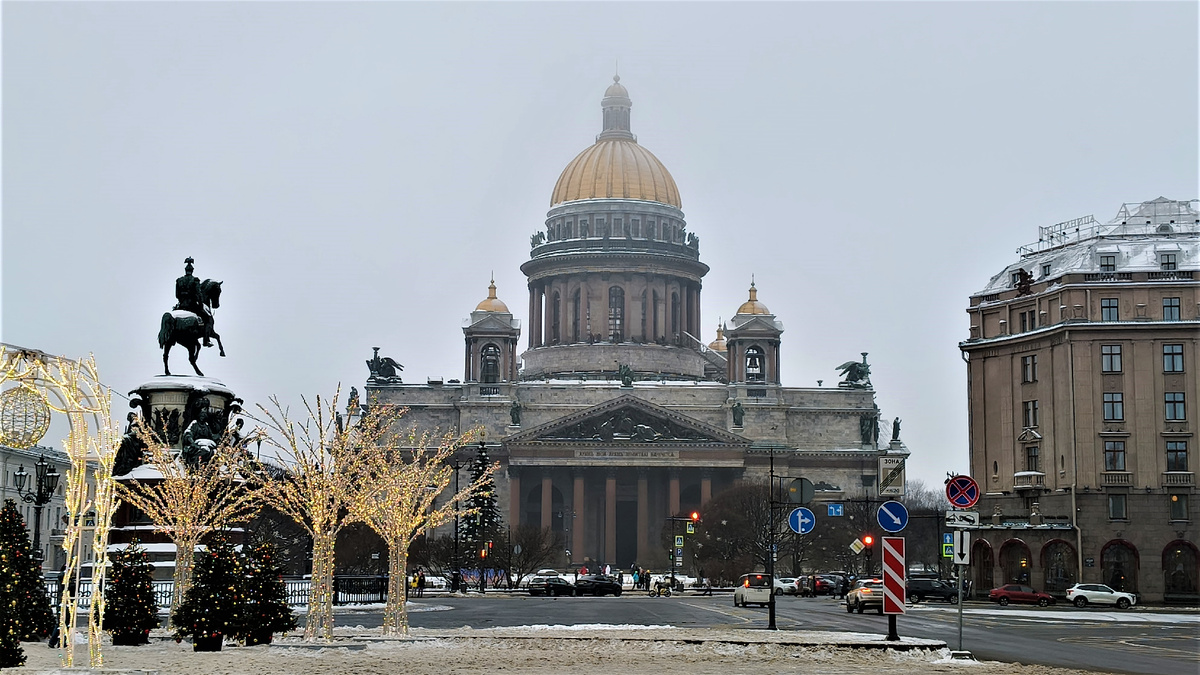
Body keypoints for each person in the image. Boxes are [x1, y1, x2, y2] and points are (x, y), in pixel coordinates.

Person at [174, 257, 212, 347]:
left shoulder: (179, 280)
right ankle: (206, 340)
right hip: (192, 305)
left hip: (181, 305)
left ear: (185, 270)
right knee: (207, 319)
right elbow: (199, 294)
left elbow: (177, 295)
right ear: (192, 271)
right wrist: (200, 303)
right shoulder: (195, 280)